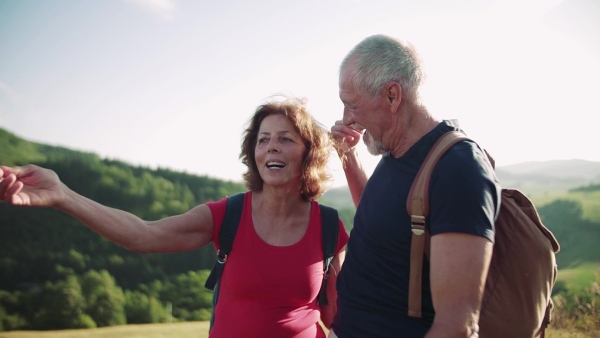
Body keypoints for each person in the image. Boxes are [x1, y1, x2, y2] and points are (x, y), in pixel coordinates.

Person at [0, 96, 349, 338]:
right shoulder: (227, 214)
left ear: (308, 154)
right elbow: (143, 235)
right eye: (263, 139)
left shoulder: (329, 227)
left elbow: (342, 314)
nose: (271, 147)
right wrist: (63, 196)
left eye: (285, 139)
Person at [329, 35, 501, 338]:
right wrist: (348, 157)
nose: (347, 120)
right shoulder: (396, 149)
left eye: (351, 105)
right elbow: (382, 218)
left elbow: (457, 325)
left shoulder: (457, 169)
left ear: (392, 97)